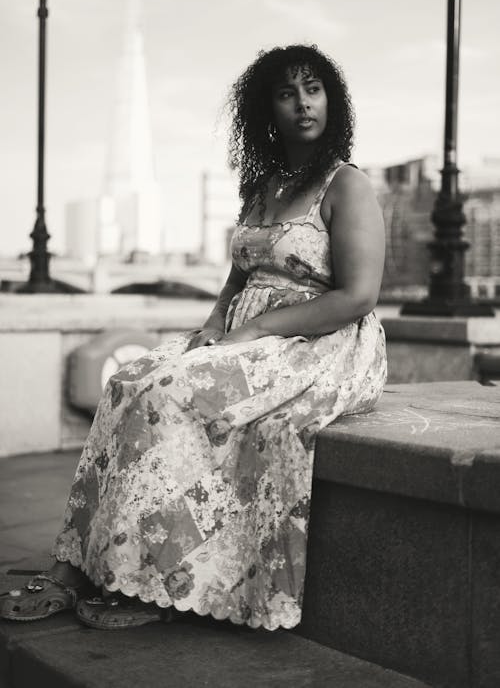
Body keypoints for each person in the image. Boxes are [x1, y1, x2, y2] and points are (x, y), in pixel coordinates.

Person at [0, 44, 386, 631]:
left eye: (313, 90)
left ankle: (149, 584)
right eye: (287, 93)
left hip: (320, 342)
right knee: (129, 382)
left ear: (331, 100)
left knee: (167, 399)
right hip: (246, 332)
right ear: (267, 109)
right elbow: (239, 276)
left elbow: (357, 297)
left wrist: (254, 330)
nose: (303, 103)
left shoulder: (347, 185)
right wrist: (212, 328)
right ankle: (80, 566)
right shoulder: (265, 186)